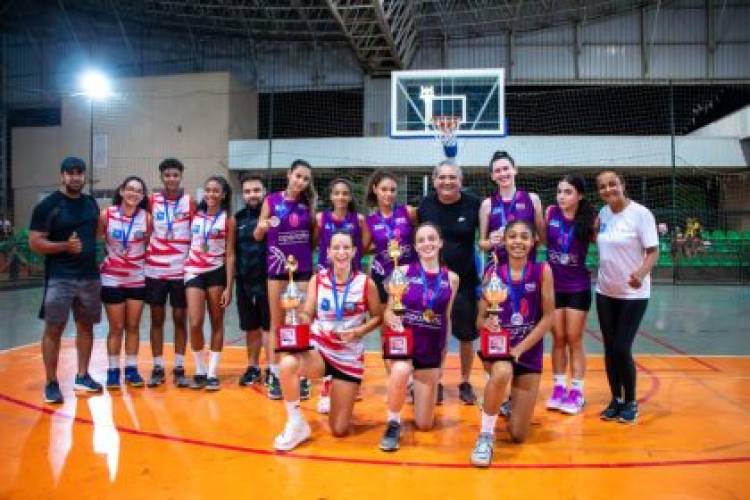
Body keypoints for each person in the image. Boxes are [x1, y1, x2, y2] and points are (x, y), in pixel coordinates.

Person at [273, 230, 381, 451]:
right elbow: (308, 314)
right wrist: (296, 316)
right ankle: (296, 423)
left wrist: (358, 331)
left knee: (339, 430)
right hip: (320, 351)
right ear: (329, 253)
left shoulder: (365, 283)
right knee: (287, 364)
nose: (341, 252)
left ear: (353, 252)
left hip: (348, 357)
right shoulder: (318, 280)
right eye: (336, 248)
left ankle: (334, 388)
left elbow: (378, 316)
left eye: (345, 248)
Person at [469, 219, 554, 467]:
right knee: (503, 370)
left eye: (524, 237)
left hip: (527, 352)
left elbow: (548, 318)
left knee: (518, 435)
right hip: (498, 351)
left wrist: (520, 349)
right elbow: (479, 319)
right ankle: (485, 435)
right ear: (504, 241)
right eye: (513, 236)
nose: (518, 241)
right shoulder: (493, 272)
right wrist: (486, 324)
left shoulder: (542, 271)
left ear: (533, 241)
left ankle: (501, 402)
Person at [379, 223, 459, 452]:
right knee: (401, 370)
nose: (427, 244)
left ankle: (414, 387)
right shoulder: (402, 273)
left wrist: (443, 358)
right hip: (405, 346)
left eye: (432, 238)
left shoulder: (452, 279)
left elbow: (447, 318)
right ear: (415, 246)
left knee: (424, 425)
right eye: (422, 240)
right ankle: (393, 422)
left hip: (431, 349)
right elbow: (387, 310)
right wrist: (390, 318)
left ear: (440, 242)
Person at [29, 157, 103, 403]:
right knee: (54, 329)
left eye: (80, 173)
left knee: (86, 327)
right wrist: (64, 246)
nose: (75, 177)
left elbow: (96, 235)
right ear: (62, 176)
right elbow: (35, 242)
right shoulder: (48, 206)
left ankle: (82, 376)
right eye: (70, 173)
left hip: (89, 276)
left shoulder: (91, 203)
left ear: (84, 176)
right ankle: (51, 382)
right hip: (60, 277)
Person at [595, 170, 659, 424]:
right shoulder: (603, 214)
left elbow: (653, 252)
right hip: (605, 291)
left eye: (612, 184)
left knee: (622, 347)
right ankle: (616, 399)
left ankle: (631, 401)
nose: (608, 189)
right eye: (602, 186)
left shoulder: (641, 214)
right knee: (610, 349)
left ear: (623, 185)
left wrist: (640, 274)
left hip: (633, 293)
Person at [418, 160, 481, 405]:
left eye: (452, 177)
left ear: (460, 181)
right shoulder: (425, 205)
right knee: (436, 332)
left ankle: (465, 380)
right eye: (442, 177)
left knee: (467, 335)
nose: (447, 182)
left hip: (464, 281)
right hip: (432, 282)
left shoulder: (474, 204)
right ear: (434, 181)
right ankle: (436, 379)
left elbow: (487, 233)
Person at [254, 159, 316, 400]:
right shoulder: (271, 200)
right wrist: (261, 226)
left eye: (305, 178)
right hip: (276, 267)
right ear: (289, 174)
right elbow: (258, 235)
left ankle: (300, 376)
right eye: (298, 176)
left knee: (300, 322)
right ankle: (275, 374)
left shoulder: (308, 204)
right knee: (277, 324)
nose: (300, 181)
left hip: (301, 269)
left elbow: (312, 237)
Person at [313, 177, 370, 413]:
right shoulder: (321, 218)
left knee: (355, 328)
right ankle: (327, 387)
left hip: (352, 279)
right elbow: (316, 243)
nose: (341, 197)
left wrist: (352, 259)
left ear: (349, 197)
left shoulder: (358, 219)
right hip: (328, 278)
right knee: (325, 329)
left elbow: (365, 244)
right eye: (337, 193)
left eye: (345, 193)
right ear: (331, 196)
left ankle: (351, 380)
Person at [545, 175, 595, 415]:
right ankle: (558, 387)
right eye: (560, 191)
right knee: (558, 338)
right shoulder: (550, 213)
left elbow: (608, 243)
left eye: (568, 192)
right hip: (554, 286)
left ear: (580, 195)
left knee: (574, 338)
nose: (562, 196)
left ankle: (577, 391)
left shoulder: (590, 220)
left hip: (578, 286)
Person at [144, 158, 196, 388]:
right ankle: (157, 367)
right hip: (154, 269)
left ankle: (179, 366)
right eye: (167, 175)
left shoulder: (189, 202)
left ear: (181, 176)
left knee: (179, 319)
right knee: (157, 319)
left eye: (175, 175)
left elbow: (197, 234)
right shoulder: (151, 201)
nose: (171, 179)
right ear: (161, 177)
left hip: (180, 270)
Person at [99, 176, 152, 389]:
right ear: (121, 191)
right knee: (116, 327)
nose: (134, 193)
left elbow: (148, 244)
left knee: (133, 326)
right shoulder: (106, 215)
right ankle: (113, 370)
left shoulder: (146, 218)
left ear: (142, 196)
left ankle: (131, 368)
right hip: (111, 278)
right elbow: (96, 242)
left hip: (137, 279)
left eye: (139, 191)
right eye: (130, 189)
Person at [184, 176, 236, 391]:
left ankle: (212, 373)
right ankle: (199, 369)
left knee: (216, 321)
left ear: (223, 194)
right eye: (208, 190)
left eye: (216, 191)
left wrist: (229, 286)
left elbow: (231, 254)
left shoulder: (228, 219)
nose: (211, 194)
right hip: (194, 270)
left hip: (216, 272)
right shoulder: (194, 215)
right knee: (195, 322)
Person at [235, 175, 272, 386]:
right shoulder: (237, 218)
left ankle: (272, 368)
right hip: (244, 282)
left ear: (264, 191)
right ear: (243, 194)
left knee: (268, 327)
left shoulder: (273, 217)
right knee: (251, 327)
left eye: (256, 190)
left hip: (268, 281)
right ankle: (253, 367)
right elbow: (232, 252)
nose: (252, 195)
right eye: (248, 191)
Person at [364, 170, 418, 310]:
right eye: (384, 189)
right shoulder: (370, 221)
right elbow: (364, 249)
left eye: (393, 190)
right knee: (386, 323)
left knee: (409, 319)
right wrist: (384, 249)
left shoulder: (408, 212)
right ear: (375, 189)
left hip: (409, 274)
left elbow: (421, 236)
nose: (389, 194)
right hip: (383, 275)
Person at [478, 151, 544, 265]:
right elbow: (482, 244)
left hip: (527, 269)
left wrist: (521, 238)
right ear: (492, 176)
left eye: (506, 168)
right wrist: (491, 241)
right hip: (499, 271)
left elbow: (542, 238)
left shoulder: (532, 199)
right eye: (497, 171)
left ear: (515, 170)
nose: (503, 173)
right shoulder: (487, 204)